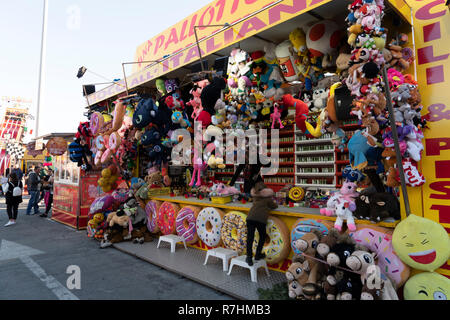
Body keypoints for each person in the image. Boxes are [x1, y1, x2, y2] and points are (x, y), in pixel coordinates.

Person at [245, 181, 278, 266]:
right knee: (262, 236)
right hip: (260, 220)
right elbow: (274, 206)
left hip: (250, 218)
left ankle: (249, 257)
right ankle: (258, 254)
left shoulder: (255, 198)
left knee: (250, 238)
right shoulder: (267, 199)